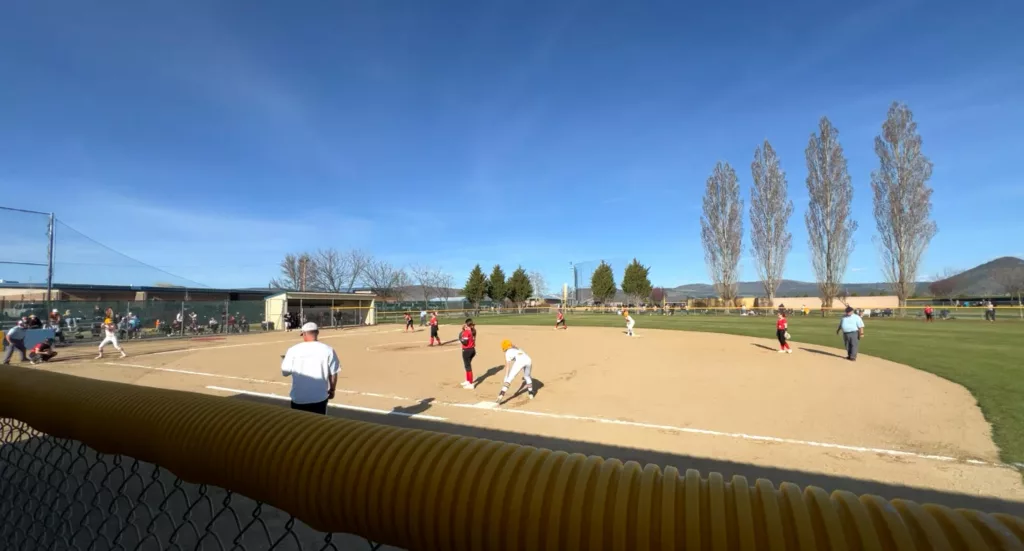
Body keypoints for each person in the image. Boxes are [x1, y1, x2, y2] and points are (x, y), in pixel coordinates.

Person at [281, 322, 339, 415]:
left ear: (304, 334)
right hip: (319, 398)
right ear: (317, 333)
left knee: (299, 425)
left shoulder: (293, 350)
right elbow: (333, 373)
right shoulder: (328, 350)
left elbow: (285, 372)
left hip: (299, 398)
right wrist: (332, 390)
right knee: (318, 426)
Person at [496, 339, 534, 404]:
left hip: (520, 361)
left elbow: (507, 366)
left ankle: (500, 396)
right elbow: (515, 347)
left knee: (509, 379)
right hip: (528, 360)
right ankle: (531, 394)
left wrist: (506, 376)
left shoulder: (507, 353)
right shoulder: (518, 349)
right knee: (527, 376)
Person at [458, 319, 477, 389]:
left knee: (468, 366)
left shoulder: (466, 332)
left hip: (467, 351)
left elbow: (465, 342)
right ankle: (468, 381)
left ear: (467, 325)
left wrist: (460, 339)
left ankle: (470, 384)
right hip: (472, 350)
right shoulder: (472, 331)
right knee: (467, 366)